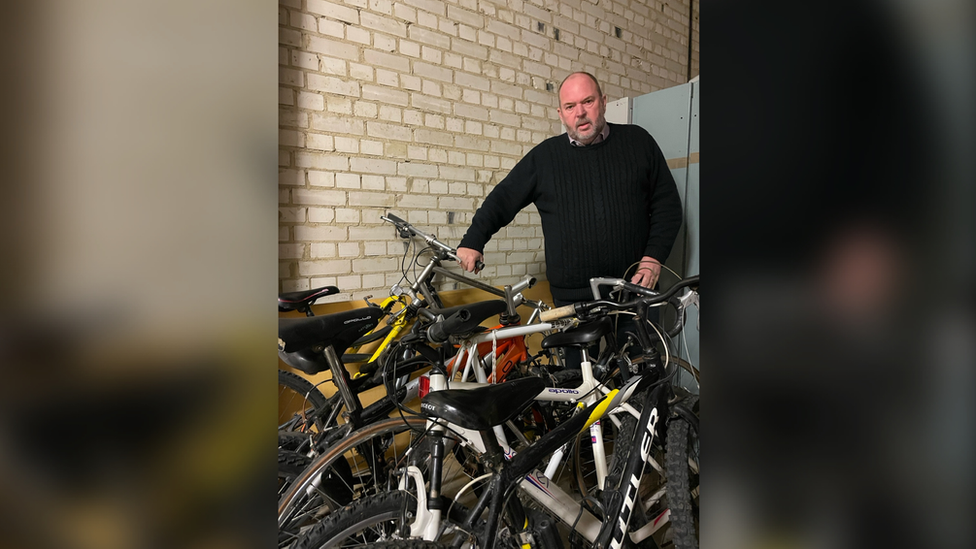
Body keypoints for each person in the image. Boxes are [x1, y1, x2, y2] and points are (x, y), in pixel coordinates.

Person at [456, 71, 683, 307]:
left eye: (588, 101)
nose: (580, 113)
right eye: (570, 106)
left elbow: (667, 206)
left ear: (603, 102)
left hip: (634, 289)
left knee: (640, 346)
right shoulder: (544, 157)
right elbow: (503, 198)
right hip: (573, 300)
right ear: (561, 114)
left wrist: (653, 258)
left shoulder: (638, 142)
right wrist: (473, 240)